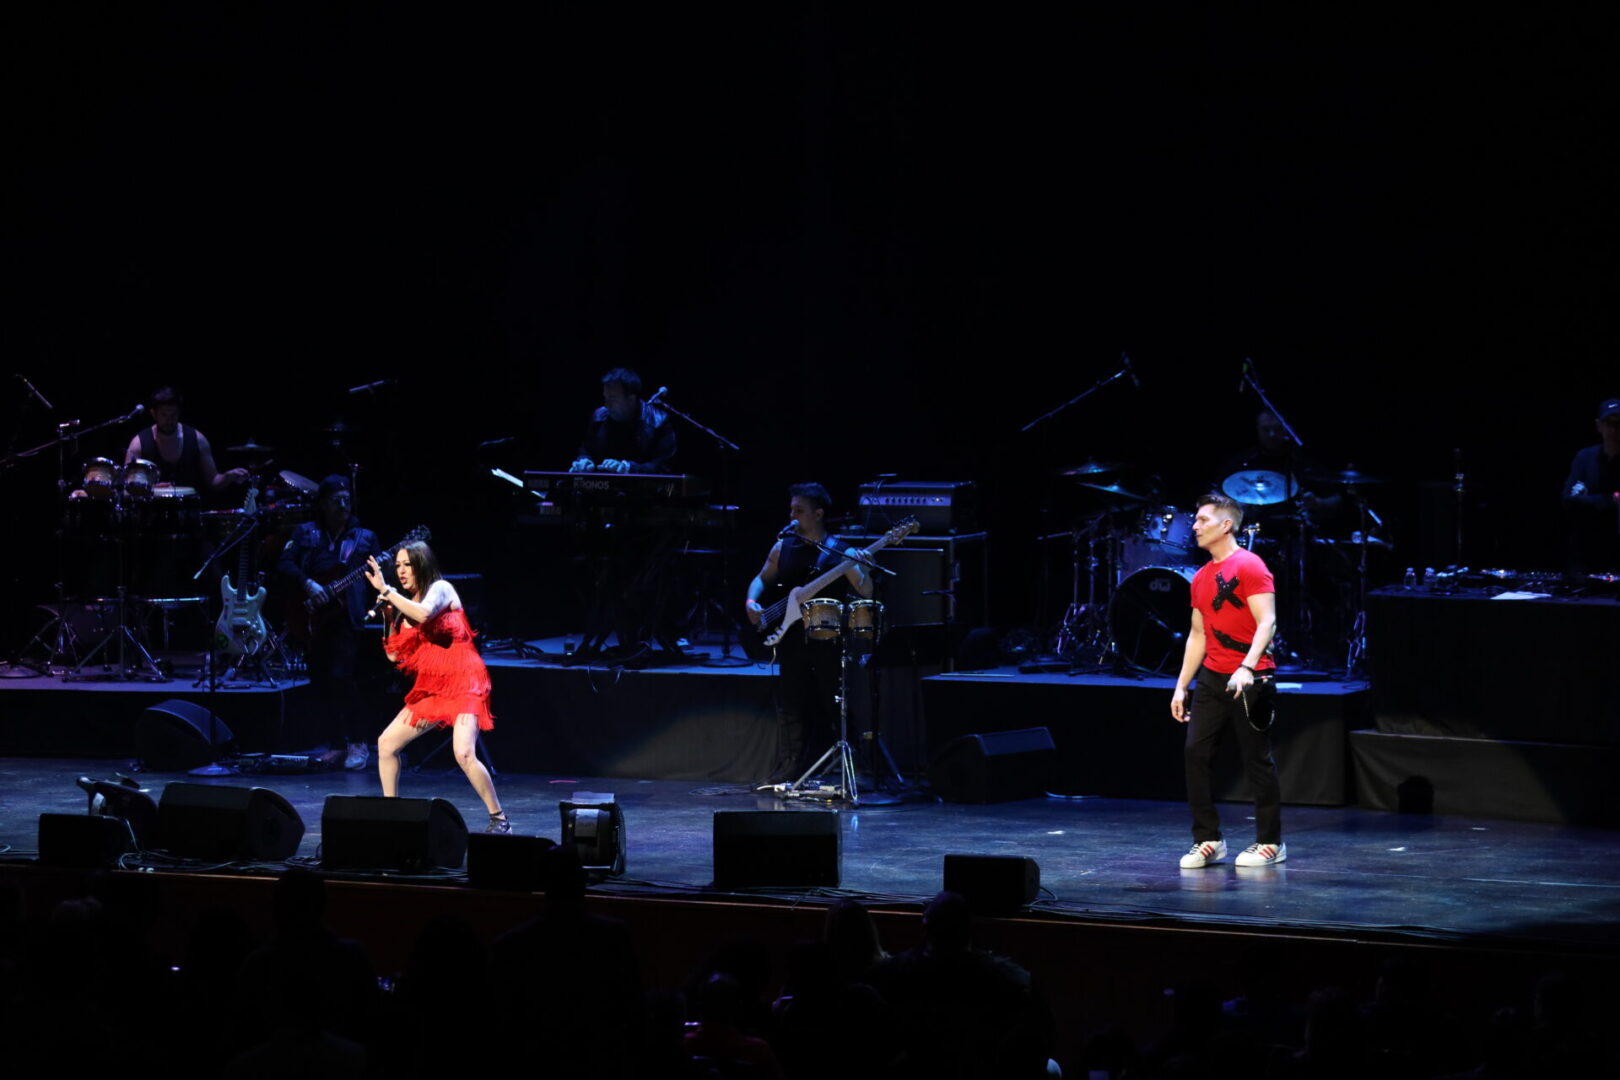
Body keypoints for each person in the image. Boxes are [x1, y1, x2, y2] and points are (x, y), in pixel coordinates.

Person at [1170, 493, 1284, 868]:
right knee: (1194, 753)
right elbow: (1197, 635)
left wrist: (1248, 667)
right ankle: (1208, 839)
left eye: (1203, 520)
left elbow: (1267, 621)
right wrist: (1181, 685)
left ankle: (1270, 842)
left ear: (1226, 525)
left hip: (1251, 679)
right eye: (1196, 520)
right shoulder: (1201, 577)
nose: (1195, 526)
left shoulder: (1250, 565)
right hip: (1213, 678)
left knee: (1256, 759)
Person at [364, 541, 508, 833]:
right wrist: (388, 617)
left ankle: (499, 818)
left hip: (466, 681)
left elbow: (425, 614)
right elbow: (394, 654)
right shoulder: (406, 608)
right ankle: (390, 812)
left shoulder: (441, 589)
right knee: (386, 744)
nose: (401, 571)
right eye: (398, 566)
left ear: (422, 564)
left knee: (464, 753)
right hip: (434, 687)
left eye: (407, 565)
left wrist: (387, 591)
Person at [745, 483, 872, 786]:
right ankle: (790, 766)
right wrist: (751, 602)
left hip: (828, 638)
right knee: (790, 700)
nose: (792, 515)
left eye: (799, 510)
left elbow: (865, 590)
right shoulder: (783, 548)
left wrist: (863, 568)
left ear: (818, 514)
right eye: (791, 509)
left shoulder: (843, 552)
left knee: (834, 699)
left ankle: (851, 766)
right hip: (789, 637)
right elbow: (761, 579)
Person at [276, 475, 380, 770]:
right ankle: (335, 744)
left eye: (347, 500)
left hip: (346, 616)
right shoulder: (305, 533)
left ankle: (358, 741)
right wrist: (307, 584)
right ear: (322, 503)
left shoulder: (364, 537)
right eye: (337, 501)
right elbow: (283, 564)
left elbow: (375, 575)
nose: (343, 506)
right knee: (320, 680)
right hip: (311, 616)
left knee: (342, 677)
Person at [123, 385, 251, 495]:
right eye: (164, 415)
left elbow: (213, 482)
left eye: (173, 415)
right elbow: (127, 489)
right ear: (153, 414)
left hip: (190, 516)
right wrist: (151, 489)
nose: (169, 420)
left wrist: (228, 477)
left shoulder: (197, 439)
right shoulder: (138, 443)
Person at [569, 367, 677, 474]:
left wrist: (628, 468)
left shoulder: (659, 422)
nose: (606, 405)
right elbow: (586, 449)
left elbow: (663, 467)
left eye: (612, 399)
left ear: (631, 399)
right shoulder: (598, 417)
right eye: (605, 398)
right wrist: (585, 461)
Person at [1562, 397, 1620, 575]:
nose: (1614, 429)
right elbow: (1568, 500)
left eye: (1619, 423)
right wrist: (1612, 499)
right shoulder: (1585, 457)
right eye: (1609, 423)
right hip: (1585, 555)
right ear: (1599, 426)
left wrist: (1589, 499)